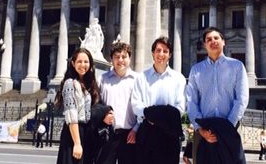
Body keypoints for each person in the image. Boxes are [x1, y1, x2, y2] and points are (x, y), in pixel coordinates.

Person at [186, 27, 249, 164]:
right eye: (208, 39)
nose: (213, 41)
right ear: (204, 45)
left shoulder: (237, 66)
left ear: (223, 42)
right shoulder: (196, 70)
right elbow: (191, 102)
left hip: (230, 129)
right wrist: (200, 129)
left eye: (216, 38)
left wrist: (227, 126)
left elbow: (242, 98)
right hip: (203, 132)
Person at [131, 36, 186, 164]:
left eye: (165, 51)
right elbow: (136, 104)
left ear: (170, 55)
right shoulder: (141, 77)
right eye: (158, 50)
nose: (161, 54)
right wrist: (158, 114)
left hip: (170, 134)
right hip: (147, 132)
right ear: (152, 53)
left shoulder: (179, 79)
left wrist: (153, 114)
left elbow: (180, 107)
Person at [55, 48, 100, 164]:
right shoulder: (70, 83)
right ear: (73, 63)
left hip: (86, 133)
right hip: (74, 134)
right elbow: (72, 116)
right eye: (79, 61)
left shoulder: (88, 84)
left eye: (86, 62)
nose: (83, 65)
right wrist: (77, 143)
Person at [96, 41, 138, 164]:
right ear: (112, 59)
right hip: (107, 134)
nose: (120, 60)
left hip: (130, 135)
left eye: (124, 56)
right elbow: (96, 105)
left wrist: (136, 130)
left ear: (129, 58)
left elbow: (142, 108)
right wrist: (102, 117)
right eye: (117, 57)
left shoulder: (138, 80)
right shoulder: (102, 79)